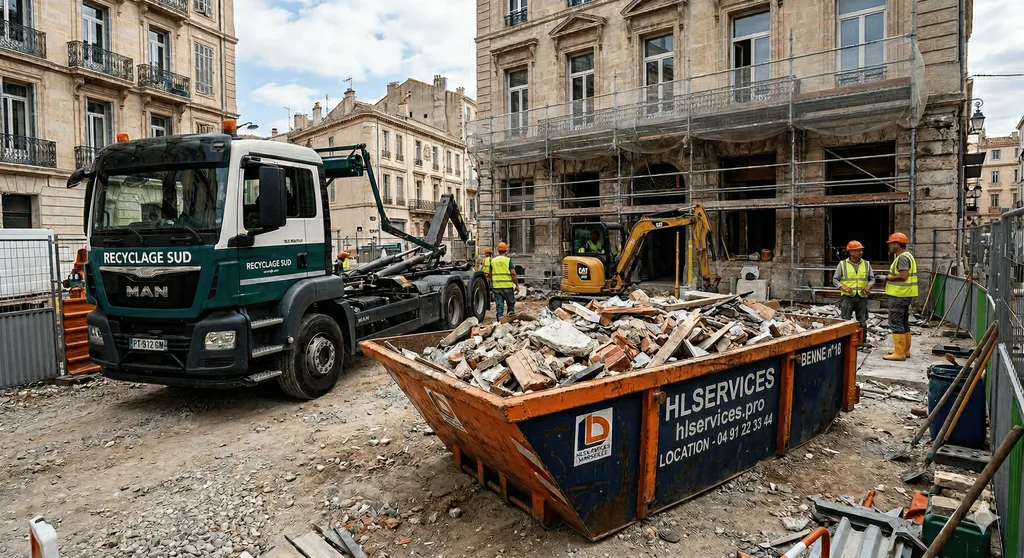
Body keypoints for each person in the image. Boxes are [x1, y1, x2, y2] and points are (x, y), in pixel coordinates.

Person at [882, 232, 917, 361]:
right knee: (903, 322)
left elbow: (903, 276)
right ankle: (905, 350)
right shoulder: (907, 256)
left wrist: (886, 278)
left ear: (897, 244)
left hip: (899, 295)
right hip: (905, 294)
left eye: (891, 244)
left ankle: (899, 353)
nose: (889, 246)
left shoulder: (902, 258)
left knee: (896, 322)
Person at [832, 240, 875, 330]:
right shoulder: (842, 264)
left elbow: (872, 279)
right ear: (851, 252)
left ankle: (863, 340)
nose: (861, 253)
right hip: (847, 296)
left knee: (862, 320)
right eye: (858, 251)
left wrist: (869, 286)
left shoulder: (866, 264)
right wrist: (842, 287)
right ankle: (845, 341)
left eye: (861, 251)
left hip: (862, 296)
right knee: (845, 320)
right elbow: (835, 279)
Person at [489, 242, 519, 318]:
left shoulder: (493, 261)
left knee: (499, 306)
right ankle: (510, 320)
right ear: (506, 250)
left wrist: (494, 281)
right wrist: (517, 285)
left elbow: (489, 275)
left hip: (497, 288)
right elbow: (513, 274)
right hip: (507, 287)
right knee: (510, 305)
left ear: (498, 250)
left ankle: (499, 322)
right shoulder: (508, 260)